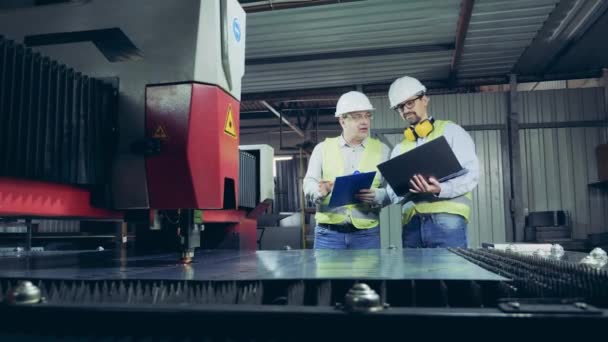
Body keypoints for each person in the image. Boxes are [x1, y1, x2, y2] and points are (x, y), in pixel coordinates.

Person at [386, 76, 479, 248]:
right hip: (412, 226)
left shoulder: (452, 132)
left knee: (450, 276)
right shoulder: (400, 148)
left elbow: (472, 174)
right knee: (414, 276)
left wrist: (440, 189)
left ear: (424, 99)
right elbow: (391, 192)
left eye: (409, 103)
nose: (405, 111)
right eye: (399, 108)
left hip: (448, 222)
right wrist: (405, 190)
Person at [303, 91, 391, 249]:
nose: (364, 122)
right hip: (328, 235)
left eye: (367, 115)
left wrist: (377, 195)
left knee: (369, 275)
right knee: (328, 275)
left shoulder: (382, 150)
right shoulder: (322, 149)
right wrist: (320, 191)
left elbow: (391, 191)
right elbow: (309, 183)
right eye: (357, 116)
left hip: (367, 235)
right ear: (342, 120)